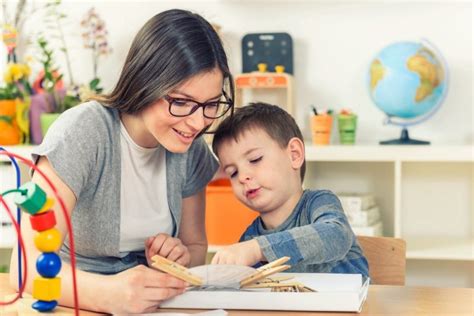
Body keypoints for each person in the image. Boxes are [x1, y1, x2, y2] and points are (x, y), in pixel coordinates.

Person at [9, 9, 234, 314]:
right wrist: (107, 294)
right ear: (146, 81)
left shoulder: (190, 149)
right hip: (70, 304)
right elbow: (25, 266)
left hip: (151, 306)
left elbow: (195, 248)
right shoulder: (85, 131)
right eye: (181, 102)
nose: (198, 123)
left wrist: (177, 260)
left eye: (210, 105)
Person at [210, 103, 369, 277]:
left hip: (349, 304)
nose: (242, 177)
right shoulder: (249, 239)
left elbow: (336, 236)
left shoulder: (318, 203)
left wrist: (258, 249)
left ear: (294, 154)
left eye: (255, 160)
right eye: (233, 173)